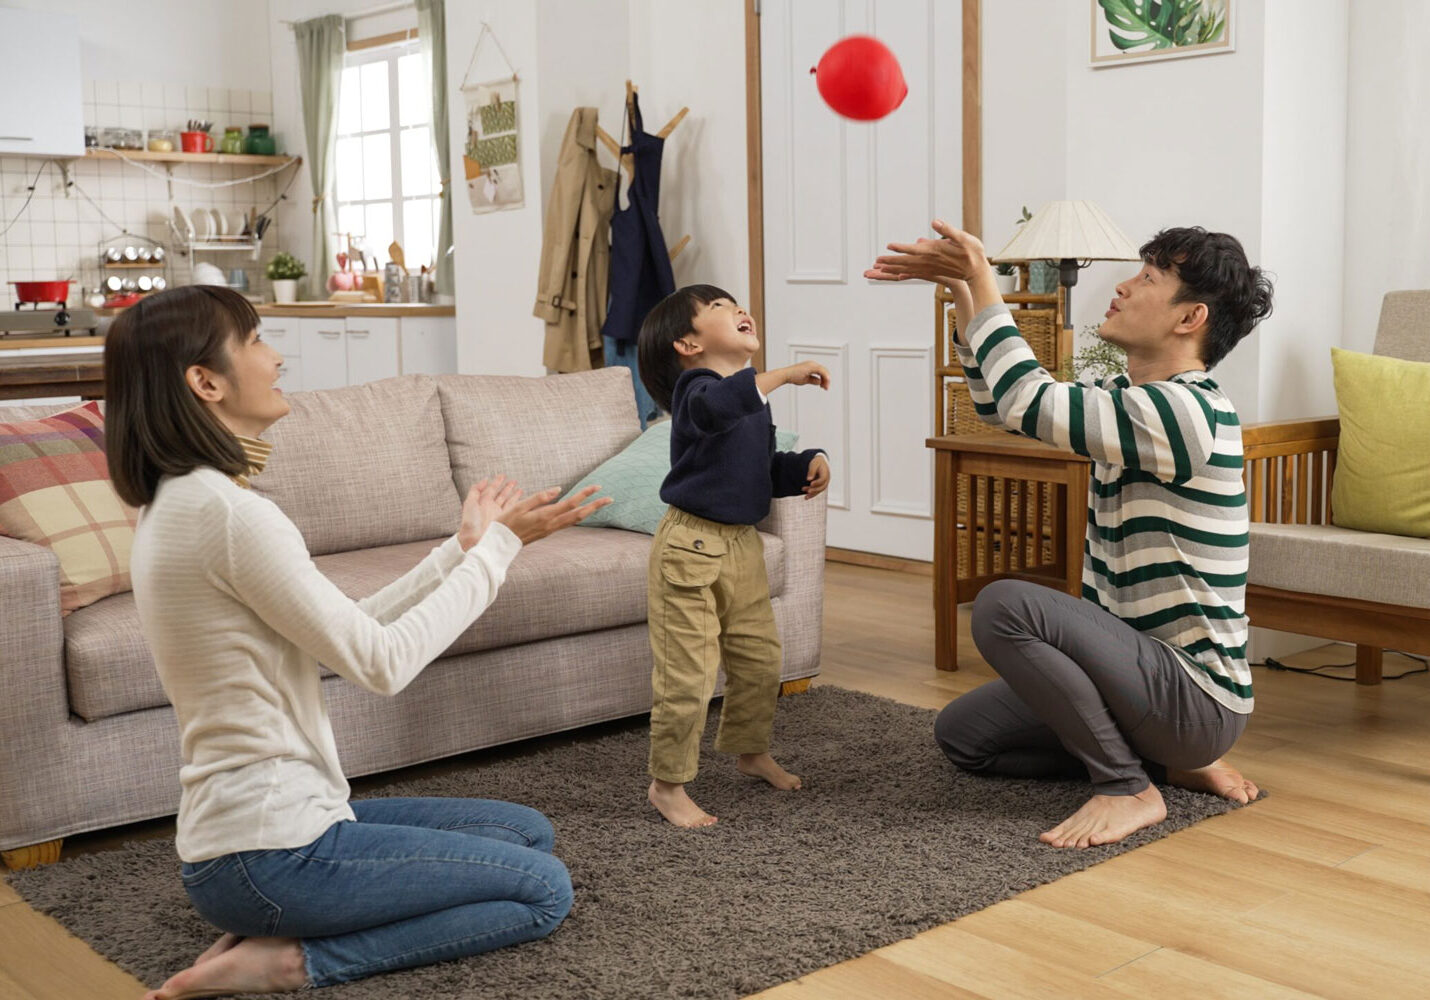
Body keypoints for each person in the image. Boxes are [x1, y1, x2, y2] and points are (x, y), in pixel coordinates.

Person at [104, 285, 610, 998]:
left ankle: (270, 926)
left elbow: (341, 633)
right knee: (542, 890)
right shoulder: (229, 515)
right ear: (205, 380)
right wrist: (496, 554)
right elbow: (383, 663)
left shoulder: (184, 502)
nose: (275, 356)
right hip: (271, 854)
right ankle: (285, 962)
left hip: (256, 840)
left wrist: (461, 552)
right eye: (254, 341)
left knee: (524, 833)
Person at [866, 221, 1272, 848]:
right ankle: (1164, 767)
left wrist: (980, 275)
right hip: (1137, 684)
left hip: (1194, 695)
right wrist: (962, 291)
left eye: (1147, 279)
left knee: (1004, 605)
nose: (1123, 286)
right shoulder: (1126, 398)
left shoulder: (1187, 411)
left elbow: (1028, 397)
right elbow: (1002, 405)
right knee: (963, 737)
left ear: (1189, 317)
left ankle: (1127, 787)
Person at [635, 285, 831, 827]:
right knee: (688, 677)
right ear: (687, 344)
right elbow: (720, 407)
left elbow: (758, 469)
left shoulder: (750, 404)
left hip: (741, 545)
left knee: (760, 660)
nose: (739, 310)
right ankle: (667, 784)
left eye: (736, 303)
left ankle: (751, 752)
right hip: (689, 548)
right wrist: (782, 376)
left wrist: (806, 464)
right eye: (719, 308)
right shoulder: (697, 394)